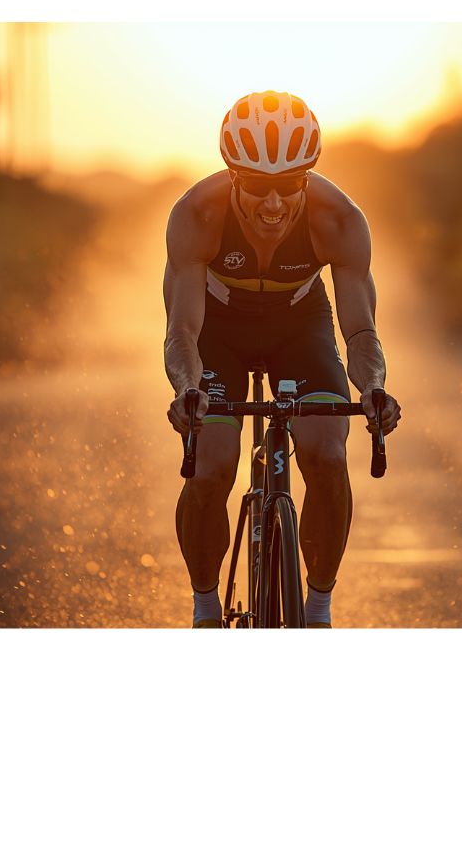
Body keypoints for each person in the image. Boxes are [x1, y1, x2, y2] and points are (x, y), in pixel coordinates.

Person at [164, 91, 402, 627]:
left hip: (300, 323)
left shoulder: (338, 219)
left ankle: (316, 610)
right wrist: (187, 390)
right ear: (232, 178)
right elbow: (181, 331)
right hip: (218, 328)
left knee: (327, 455)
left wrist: (373, 388)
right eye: (256, 188)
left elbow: (361, 330)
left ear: (307, 179)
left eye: (289, 187)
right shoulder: (197, 214)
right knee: (210, 468)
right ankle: (205, 611)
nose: (274, 206)